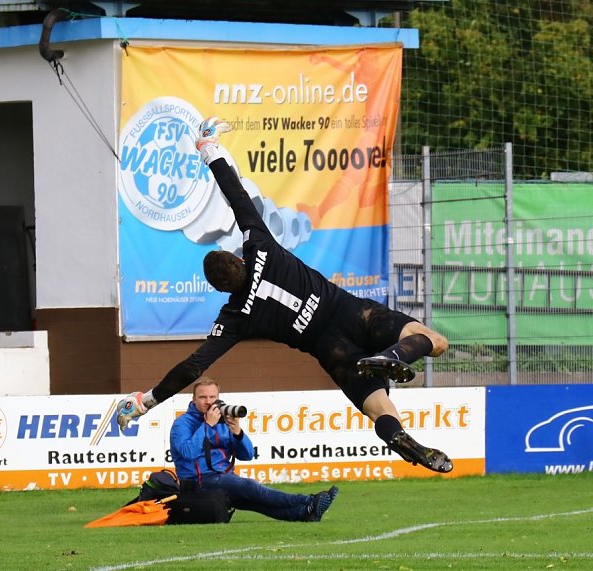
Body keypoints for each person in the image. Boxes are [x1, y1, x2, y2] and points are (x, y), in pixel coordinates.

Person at [117, 117, 453, 473]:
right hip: (351, 314)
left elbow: (194, 366)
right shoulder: (261, 246)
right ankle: (392, 355)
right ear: (237, 258)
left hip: (331, 351)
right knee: (434, 341)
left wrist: (146, 401)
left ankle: (398, 435)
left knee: (379, 408)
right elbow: (236, 194)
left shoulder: (235, 318)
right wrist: (208, 148)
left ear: (219, 290)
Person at [170, 377, 338, 522]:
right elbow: (187, 453)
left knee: (256, 502)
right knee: (250, 486)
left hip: (223, 477)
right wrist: (207, 425)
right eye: (203, 397)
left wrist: (238, 433)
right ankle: (309, 500)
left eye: (212, 397)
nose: (208, 401)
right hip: (198, 481)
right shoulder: (182, 424)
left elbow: (248, 455)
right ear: (193, 399)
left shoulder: (222, 421)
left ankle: (306, 513)